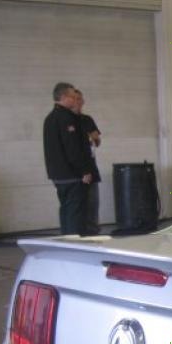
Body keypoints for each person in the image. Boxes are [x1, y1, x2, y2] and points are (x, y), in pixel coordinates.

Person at [43, 82, 93, 234]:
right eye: (73, 96)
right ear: (64, 97)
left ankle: (66, 240)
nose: (76, 100)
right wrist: (84, 170)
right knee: (75, 214)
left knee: (66, 210)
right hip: (71, 175)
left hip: (58, 175)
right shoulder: (66, 118)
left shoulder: (50, 118)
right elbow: (72, 148)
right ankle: (75, 245)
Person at [72, 88, 102, 235]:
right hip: (75, 171)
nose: (79, 102)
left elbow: (97, 141)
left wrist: (94, 138)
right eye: (76, 99)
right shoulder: (67, 120)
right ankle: (77, 234)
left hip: (90, 166)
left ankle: (93, 233)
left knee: (93, 203)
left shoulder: (87, 120)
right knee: (78, 205)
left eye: (80, 99)